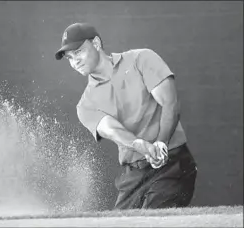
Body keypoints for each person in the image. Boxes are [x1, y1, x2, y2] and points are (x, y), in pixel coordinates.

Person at [54, 22, 197, 209]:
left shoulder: (141, 59)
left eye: (79, 52)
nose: (75, 61)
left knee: (153, 221)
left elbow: (170, 103)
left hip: (173, 163)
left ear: (96, 43)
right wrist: (141, 146)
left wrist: (160, 144)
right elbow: (113, 130)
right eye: (70, 58)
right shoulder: (85, 105)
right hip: (133, 175)